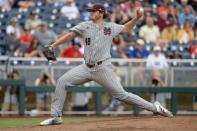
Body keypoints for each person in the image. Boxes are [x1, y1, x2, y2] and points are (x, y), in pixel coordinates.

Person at [40, 3, 173, 126]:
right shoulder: (85, 25)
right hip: (86, 67)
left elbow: (127, 28)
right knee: (62, 82)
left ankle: (155, 108)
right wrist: (53, 45)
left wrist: (137, 17)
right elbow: (70, 35)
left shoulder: (110, 27)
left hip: (103, 67)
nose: (91, 13)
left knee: (121, 95)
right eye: (91, 11)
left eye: (94, 11)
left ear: (101, 12)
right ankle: (56, 116)